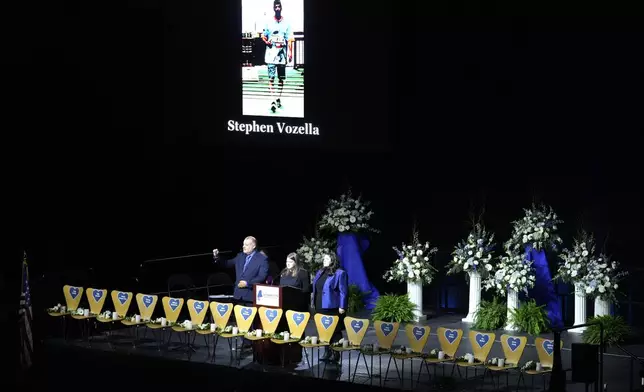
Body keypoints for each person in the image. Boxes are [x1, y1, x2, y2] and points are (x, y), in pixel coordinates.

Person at [312, 253, 348, 363]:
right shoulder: (320, 271)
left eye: (327, 258)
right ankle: (327, 351)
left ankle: (335, 353)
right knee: (323, 329)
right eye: (324, 258)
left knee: (335, 330)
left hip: (332, 306)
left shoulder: (340, 273)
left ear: (333, 260)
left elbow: (343, 291)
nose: (324, 260)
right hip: (319, 305)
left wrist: (342, 306)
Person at [213, 236, 269, 304]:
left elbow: (261, 277)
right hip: (238, 296)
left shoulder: (262, 259)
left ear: (253, 246)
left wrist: (247, 283)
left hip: (251, 297)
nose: (243, 246)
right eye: (243, 244)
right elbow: (227, 264)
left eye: (246, 245)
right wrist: (217, 257)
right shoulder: (240, 256)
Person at [262, 0, 293, 114]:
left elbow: (289, 38)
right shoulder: (268, 22)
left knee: (281, 78)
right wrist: (267, 42)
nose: (277, 9)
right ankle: (272, 100)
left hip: (282, 54)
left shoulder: (287, 23)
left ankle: (278, 97)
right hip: (271, 53)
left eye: (279, 7)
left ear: (281, 8)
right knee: (271, 77)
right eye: (276, 7)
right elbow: (263, 36)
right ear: (273, 9)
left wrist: (290, 52)